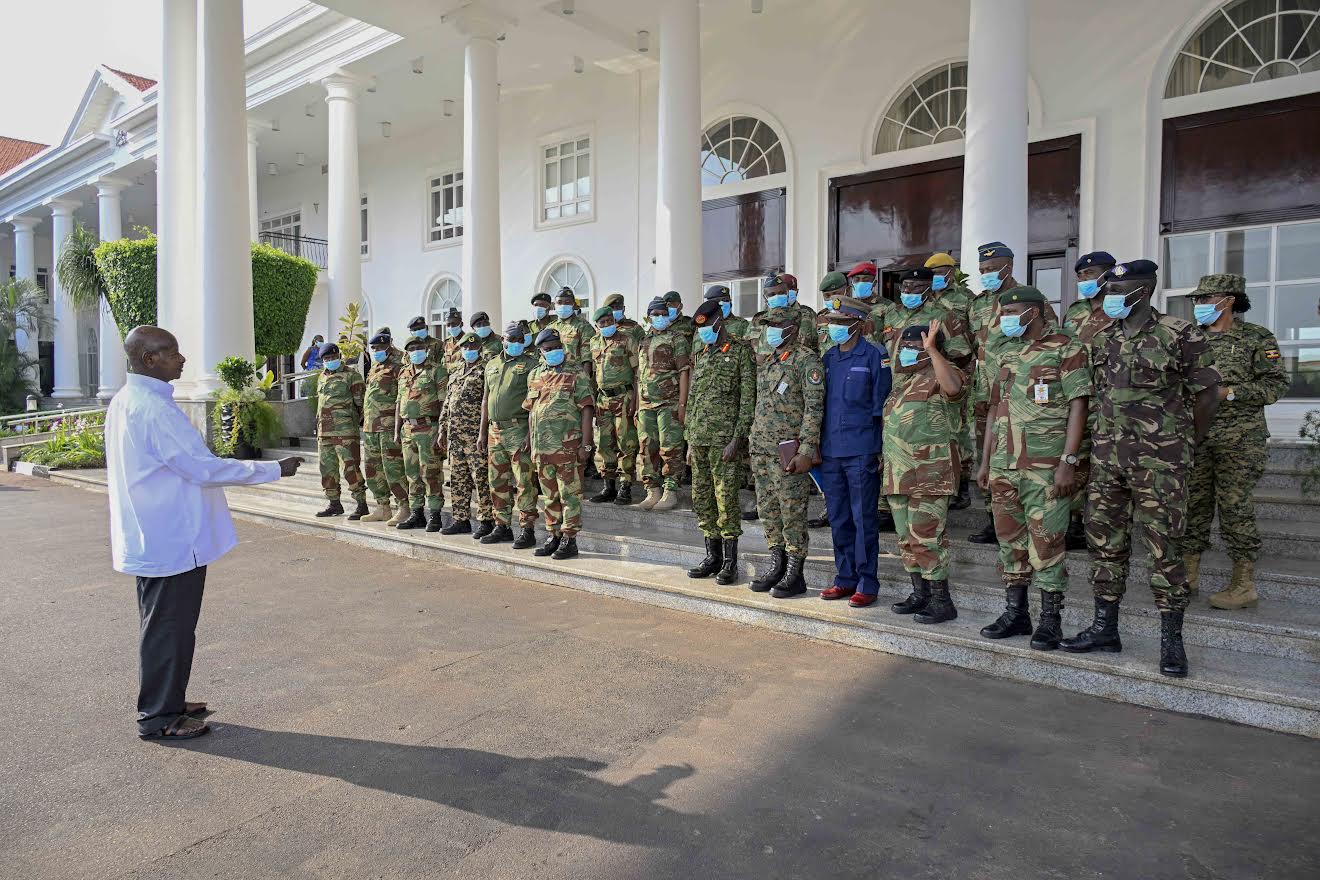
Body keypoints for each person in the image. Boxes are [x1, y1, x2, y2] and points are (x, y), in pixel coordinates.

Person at [106, 326, 303, 739]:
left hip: (159, 534)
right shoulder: (152, 408)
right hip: (172, 538)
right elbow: (202, 468)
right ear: (148, 360)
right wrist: (271, 469)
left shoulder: (132, 399)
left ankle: (168, 699)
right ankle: (159, 716)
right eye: (172, 352)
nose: (182, 359)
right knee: (168, 628)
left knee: (164, 626)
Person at [1060, 260, 1219, 679]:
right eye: (1109, 288)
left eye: (1119, 288)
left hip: (1161, 464)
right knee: (1104, 544)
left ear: (1143, 291)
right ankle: (1104, 629)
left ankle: (1171, 641)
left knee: (1164, 549)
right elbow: (1095, 398)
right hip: (1108, 461)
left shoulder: (1179, 333)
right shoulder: (1103, 337)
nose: (1110, 295)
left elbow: (1208, 395)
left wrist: (1185, 441)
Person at [976, 287, 1091, 650]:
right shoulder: (1006, 352)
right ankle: (1017, 612)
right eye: (1004, 312)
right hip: (1003, 465)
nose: (1007, 317)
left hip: (1045, 466)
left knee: (1047, 543)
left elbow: (1079, 405)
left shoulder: (1067, 347)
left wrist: (1068, 462)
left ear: (1037, 312)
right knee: (1010, 542)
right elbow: (995, 408)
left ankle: (1050, 620)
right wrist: (985, 461)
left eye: (1015, 311)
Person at [1181, 273, 1289, 610]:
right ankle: (1188, 576)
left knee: (1234, 508)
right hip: (1196, 437)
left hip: (1240, 440)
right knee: (1192, 506)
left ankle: (1243, 584)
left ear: (1228, 300)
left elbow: (1275, 386)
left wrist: (1228, 393)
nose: (1199, 306)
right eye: (1197, 301)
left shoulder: (1257, 337)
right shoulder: (1189, 337)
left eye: (1206, 299)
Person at [884, 322, 966, 623]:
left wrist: (931, 351)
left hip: (930, 473)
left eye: (914, 347)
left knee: (927, 538)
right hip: (898, 473)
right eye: (903, 347)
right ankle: (920, 593)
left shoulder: (946, 373)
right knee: (907, 539)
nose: (906, 352)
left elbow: (954, 390)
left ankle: (942, 601)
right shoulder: (901, 383)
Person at [816, 297, 891, 607]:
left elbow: (882, 405)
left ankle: (866, 582)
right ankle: (844, 578)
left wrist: (879, 450)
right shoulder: (828, 358)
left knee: (863, 519)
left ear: (857, 324)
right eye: (832, 322)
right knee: (839, 517)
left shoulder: (875, 355)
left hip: (861, 449)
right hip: (831, 450)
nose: (834, 328)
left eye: (841, 322)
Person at [747, 306, 825, 598]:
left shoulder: (806, 362)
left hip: (788, 452)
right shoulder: (769, 362)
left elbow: (814, 409)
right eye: (768, 326)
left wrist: (806, 450)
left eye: (776, 326)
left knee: (792, 511)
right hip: (763, 450)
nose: (771, 331)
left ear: (792, 327)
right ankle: (777, 563)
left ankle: (796, 571)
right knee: (768, 510)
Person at [684, 298, 756, 584]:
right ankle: (712, 556)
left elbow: (747, 399)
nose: (702, 333)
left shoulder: (740, 353)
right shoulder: (702, 354)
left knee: (725, 500)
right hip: (699, 440)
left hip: (724, 442)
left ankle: (730, 562)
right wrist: (689, 441)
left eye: (706, 327)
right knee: (702, 499)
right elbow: (694, 401)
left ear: (718, 322)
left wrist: (737, 439)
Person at [966, 241, 1027, 544]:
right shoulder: (977, 304)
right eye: (982, 270)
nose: (986, 274)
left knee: (1021, 452)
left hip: (1020, 394)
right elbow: (971, 350)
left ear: (1009, 267)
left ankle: (1024, 517)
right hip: (986, 395)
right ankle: (994, 518)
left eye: (991, 269)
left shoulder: (1026, 299)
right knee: (986, 453)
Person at [1060, 250, 1117, 550]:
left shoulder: (1120, 310)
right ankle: (1075, 524)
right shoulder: (1074, 312)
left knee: (1108, 467)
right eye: (1080, 276)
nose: (1084, 281)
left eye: (1090, 275)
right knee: (1077, 461)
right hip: (1080, 397)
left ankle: (1107, 526)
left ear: (1108, 274)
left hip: (1111, 400)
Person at [524, 327, 596, 559]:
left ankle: (570, 538)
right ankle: (554, 535)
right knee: (550, 495)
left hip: (567, 447)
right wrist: (529, 438)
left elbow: (586, 409)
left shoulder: (576, 373)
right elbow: (531, 410)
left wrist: (586, 444)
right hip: (541, 448)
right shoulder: (534, 375)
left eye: (557, 347)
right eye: (548, 349)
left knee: (569, 495)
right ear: (541, 352)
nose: (554, 351)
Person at [479, 322, 540, 548]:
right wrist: (482, 432)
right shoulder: (491, 365)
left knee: (524, 481)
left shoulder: (531, 365)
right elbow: (486, 399)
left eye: (518, 340)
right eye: (510, 340)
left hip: (518, 428)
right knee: (497, 480)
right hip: (495, 430)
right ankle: (502, 525)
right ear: (502, 340)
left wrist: (529, 435)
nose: (514, 344)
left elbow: (535, 404)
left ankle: (527, 528)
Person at [925, 252, 976, 510]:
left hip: (957, 367)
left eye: (939, 273)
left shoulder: (965, 299)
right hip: (927, 373)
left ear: (951, 271)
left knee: (959, 428)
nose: (935, 279)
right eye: (930, 274)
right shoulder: (924, 299)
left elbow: (974, 336)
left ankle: (962, 486)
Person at [636, 296, 691, 511]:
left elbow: (684, 372)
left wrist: (682, 404)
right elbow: (639, 374)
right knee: (647, 447)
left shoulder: (676, 338)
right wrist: (637, 404)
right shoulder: (645, 340)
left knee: (670, 448)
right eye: (655, 314)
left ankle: (670, 490)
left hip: (669, 403)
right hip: (646, 404)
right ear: (649, 316)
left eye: (663, 313)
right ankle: (653, 490)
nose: (659, 317)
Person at [438, 332, 495, 538]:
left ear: (479, 348)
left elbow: (486, 402)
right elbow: (448, 401)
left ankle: (486, 520)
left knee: (480, 478)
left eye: (473, 347)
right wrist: (442, 428)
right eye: (465, 348)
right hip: (456, 436)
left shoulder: (485, 370)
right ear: (460, 349)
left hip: (475, 435)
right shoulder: (455, 371)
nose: (469, 351)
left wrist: (483, 433)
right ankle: (460, 519)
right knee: (458, 478)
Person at [393, 336, 449, 532]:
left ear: (426, 349)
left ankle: (435, 515)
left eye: (419, 347)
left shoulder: (437, 371)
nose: (416, 351)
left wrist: (441, 430)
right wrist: (396, 430)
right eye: (411, 349)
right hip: (407, 430)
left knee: (431, 474)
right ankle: (416, 514)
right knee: (412, 474)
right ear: (407, 352)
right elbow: (399, 402)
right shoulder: (404, 373)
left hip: (428, 428)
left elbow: (444, 403)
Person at [588, 306, 640, 505]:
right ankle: (608, 486)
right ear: (597, 326)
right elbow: (593, 374)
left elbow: (637, 373)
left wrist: (635, 401)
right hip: (602, 400)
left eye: (609, 321)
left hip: (623, 397)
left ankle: (625, 486)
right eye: (603, 323)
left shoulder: (627, 339)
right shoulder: (594, 343)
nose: (607, 325)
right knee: (604, 443)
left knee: (626, 442)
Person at [360, 331, 410, 525]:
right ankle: (382, 507)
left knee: (393, 468)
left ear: (389, 345)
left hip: (388, 426)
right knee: (373, 469)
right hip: (371, 426)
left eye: (380, 348)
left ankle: (404, 507)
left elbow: (402, 396)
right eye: (374, 349)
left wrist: (399, 426)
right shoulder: (375, 366)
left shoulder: (399, 364)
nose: (376, 351)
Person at [314, 342, 368, 519]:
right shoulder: (321, 377)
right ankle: (334, 504)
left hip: (344, 432)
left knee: (350, 468)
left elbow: (361, 404)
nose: (330, 361)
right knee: (327, 469)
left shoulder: (352, 375)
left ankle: (361, 504)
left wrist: (353, 423)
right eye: (326, 359)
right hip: (324, 432)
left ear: (339, 357)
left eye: (333, 357)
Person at [549, 286, 597, 377]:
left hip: (575, 379)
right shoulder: (550, 328)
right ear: (554, 305)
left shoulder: (583, 326)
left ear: (574, 305)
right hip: (553, 379)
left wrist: (586, 382)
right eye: (559, 302)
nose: (563, 305)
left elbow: (587, 358)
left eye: (567, 302)